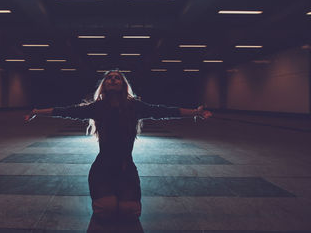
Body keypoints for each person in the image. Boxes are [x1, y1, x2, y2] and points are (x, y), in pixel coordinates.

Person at [24, 70, 212, 223]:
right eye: (109, 78)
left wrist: (195, 112)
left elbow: (162, 111)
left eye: (117, 78)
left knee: (130, 212)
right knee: (106, 211)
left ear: (123, 84)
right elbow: (66, 112)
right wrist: (37, 112)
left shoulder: (134, 107)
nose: (113, 80)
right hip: (102, 169)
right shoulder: (97, 108)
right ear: (104, 85)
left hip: (126, 168)